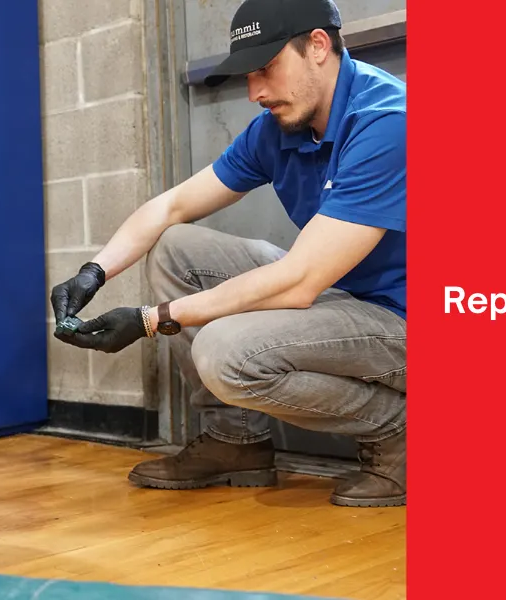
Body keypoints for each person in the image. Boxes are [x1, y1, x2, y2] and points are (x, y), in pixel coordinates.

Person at [50, 0, 405, 508]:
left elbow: (299, 280)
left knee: (224, 352)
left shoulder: (386, 122)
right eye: (247, 73)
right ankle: (236, 441)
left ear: (318, 47)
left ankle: (400, 432)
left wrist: (152, 319)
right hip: (351, 297)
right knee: (175, 248)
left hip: (409, 319)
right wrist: (93, 272)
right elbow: (172, 206)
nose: (255, 91)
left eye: (267, 68)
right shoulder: (280, 128)